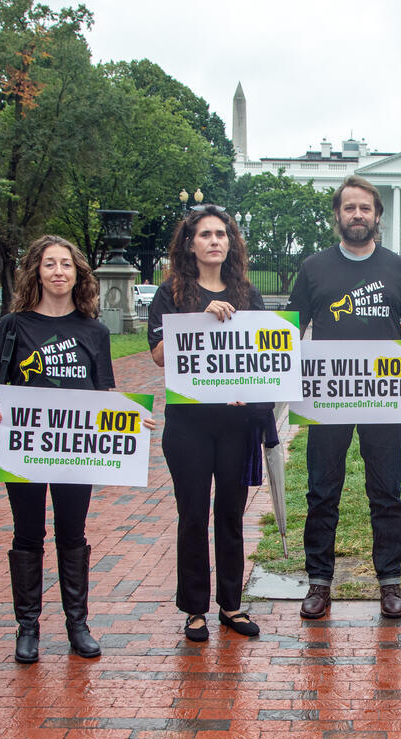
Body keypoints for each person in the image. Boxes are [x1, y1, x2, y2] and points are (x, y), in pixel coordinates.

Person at [289, 176, 401, 619]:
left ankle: (390, 582)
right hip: (327, 397)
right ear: (337, 215)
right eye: (349, 208)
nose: (357, 215)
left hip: (384, 398)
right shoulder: (314, 268)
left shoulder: (397, 268)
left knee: (387, 491)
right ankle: (319, 581)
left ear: (376, 216)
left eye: (364, 208)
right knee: (321, 491)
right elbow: (290, 330)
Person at [0, 235, 114, 663]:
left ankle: (78, 624)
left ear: (79, 274)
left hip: (75, 448)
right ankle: (28, 627)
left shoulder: (95, 331)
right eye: (50, 264)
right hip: (25, 447)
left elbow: (105, 392)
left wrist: (129, 418)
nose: (59, 271)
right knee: (27, 532)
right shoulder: (13, 325)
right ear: (36, 270)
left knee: (73, 533)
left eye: (67, 264)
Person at [148, 206, 265, 642]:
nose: (215, 241)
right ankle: (195, 608)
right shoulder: (171, 293)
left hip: (235, 422)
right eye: (205, 234)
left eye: (222, 234)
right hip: (189, 424)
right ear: (190, 243)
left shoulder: (247, 293)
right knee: (193, 514)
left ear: (230, 243)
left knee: (231, 514)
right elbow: (159, 355)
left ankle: (231, 605)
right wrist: (200, 316)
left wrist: (247, 387)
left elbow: (260, 356)